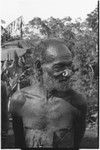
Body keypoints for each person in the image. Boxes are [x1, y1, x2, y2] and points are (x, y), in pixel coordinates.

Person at [9, 38, 87, 149]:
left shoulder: (77, 102)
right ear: (38, 66)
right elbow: (19, 144)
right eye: (59, 66)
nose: (68, 73)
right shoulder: (20, 100)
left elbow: (77, 145)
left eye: (69, 65)